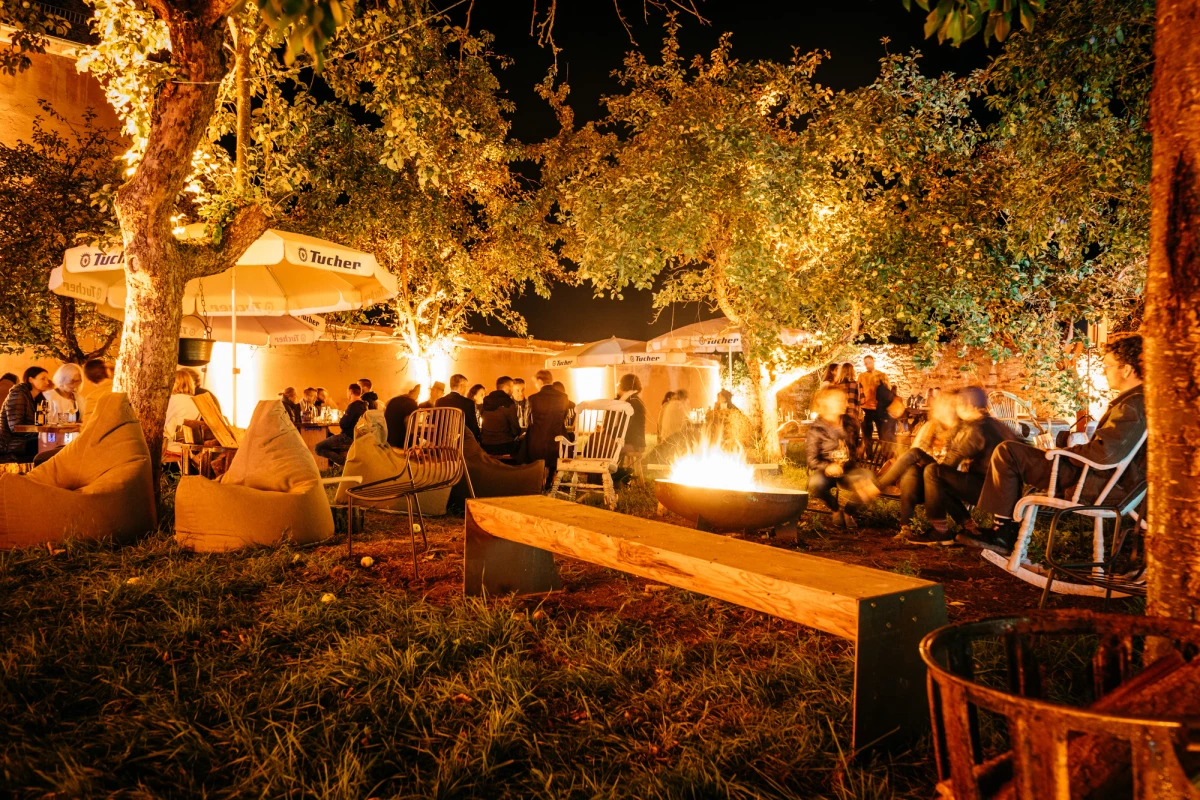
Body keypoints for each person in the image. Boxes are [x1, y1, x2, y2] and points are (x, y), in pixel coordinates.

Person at [960, 335, 1147, 556]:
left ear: (1126, 369)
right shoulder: (1135, 402)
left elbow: (1105, 453)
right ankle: (1003, 528)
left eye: (1108, 365)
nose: (1105, 371)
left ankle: (1002, 532)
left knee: (1007, 451)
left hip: (1094, 482)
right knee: (1016, 452)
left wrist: (1063, 453)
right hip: (1095, 477)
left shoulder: (1132, 406)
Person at [911, 386, 1018, 546]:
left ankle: (940, 531)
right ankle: (970, 527)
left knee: (934, 473)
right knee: (942, 478)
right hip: (1007, 492)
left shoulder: (974, 428)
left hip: (991, 490)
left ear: (967, 404)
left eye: (958, 405)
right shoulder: (997, 425)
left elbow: (950, 462)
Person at [852, 390, 960, 539]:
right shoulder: (931, 427)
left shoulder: (959, 431)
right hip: (925, 480)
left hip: (945, 476)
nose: (940, 409)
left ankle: (875, 487)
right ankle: (905, 528)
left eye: (944, 406)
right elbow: (915, 455)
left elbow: (954, 462)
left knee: (914, 454)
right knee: (912, 470)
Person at [805, 386, 860, 529]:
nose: (846, 404)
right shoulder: (816, 429)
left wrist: (850, 462)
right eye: (841, 400)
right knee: (815, 483)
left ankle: (848, 512)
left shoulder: (851, 423)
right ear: (827, 403)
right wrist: (827, 466)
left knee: (870, 481)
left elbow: (855, 448)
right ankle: (835, 509)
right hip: (826, 472)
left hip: (848, 470)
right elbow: (811, 460)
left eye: (846, 400)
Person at [525, 369, 571, 487]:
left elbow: (528, 420)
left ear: (540, 381)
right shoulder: (563, 397)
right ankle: (551, 477)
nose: (536, 385)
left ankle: (536, 480)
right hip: (557, 440)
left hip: (538, 441)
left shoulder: (533, 398)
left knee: (525, 443)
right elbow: (564, 416)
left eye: (535, 383)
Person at [0, 367, 52, 462]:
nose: (47, 382)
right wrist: (41, 433)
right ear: (30, 379)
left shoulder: (38, 399)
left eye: (47, 379)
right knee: (49, 444)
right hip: (11, 443)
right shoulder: (18, 394)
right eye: (43, 378)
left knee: (56, 442)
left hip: (25, 439)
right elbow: (15, 427)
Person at [315, 383, 367, 467]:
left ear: (350, 392)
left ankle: (344, 462)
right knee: (331, 441)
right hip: (358, 437)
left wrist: (342, 418)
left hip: (347, 437)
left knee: (318, 448)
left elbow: (343, 424)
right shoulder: (364, 405)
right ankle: (340, 464)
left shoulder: (353, 406)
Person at [480, 376, 523, 457]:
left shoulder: (486, 401)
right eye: (512, 387)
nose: (512, 390)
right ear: (507, 388)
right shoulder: (508, 403)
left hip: (486, 445)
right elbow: (515, 430)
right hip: (505, 445)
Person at [163, 368, 201, 457]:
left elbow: (163, 422)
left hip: (169, 447)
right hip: (187, 450)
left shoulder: (174, 399)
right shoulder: (195, 401)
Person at [436, 374, 483, 441]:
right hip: (462, 443)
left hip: (443, 442)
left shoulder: (439, 402)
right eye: (466, 386)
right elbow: (473, 428)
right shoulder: (468, 403)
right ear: (461, 386)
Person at [858, 355, 889, 453]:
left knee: (882, 433)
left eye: (869, 362)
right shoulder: (861, 376)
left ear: (873, 361)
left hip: (878, 408)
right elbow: (858, 391)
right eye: (866, 363)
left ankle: (884, 454)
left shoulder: (881, 375)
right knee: (867, 434)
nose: (867, 365)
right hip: (865, 408)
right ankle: (869, 455)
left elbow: (887, 389)